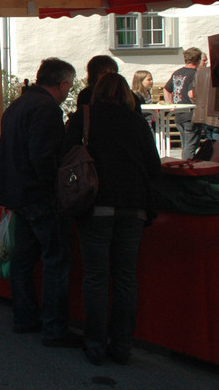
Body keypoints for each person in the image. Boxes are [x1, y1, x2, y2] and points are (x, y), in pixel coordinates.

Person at [63, 73, 160, 365]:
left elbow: (65, 158)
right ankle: (121, 345)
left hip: (95, 204)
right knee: (126, 278)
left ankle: (94, 345)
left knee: (96, 277)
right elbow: (154, 168)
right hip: (133, 206)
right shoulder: (137, 122)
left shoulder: (84, 118)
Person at [0, 57, 81, 348]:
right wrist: (55, 190)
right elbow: (43, 157)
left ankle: (25, 318)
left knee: (24, 259)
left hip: (18, 193)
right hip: (38, 194)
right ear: (63, 84)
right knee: (56, 260)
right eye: (69, 86)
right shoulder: (46, 109)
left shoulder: (18, 106)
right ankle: (54, 327)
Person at [164, 47, 203, 159]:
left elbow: (167, 89)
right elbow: (192, 94)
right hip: (191, 114)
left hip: (179, 113)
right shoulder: (195, 74)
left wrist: (171, 106)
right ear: (198, 60)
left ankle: (184, 164)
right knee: (191, 145)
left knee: (185, 144)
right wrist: (199, 105)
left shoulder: (177, 73)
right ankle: (187, 168)